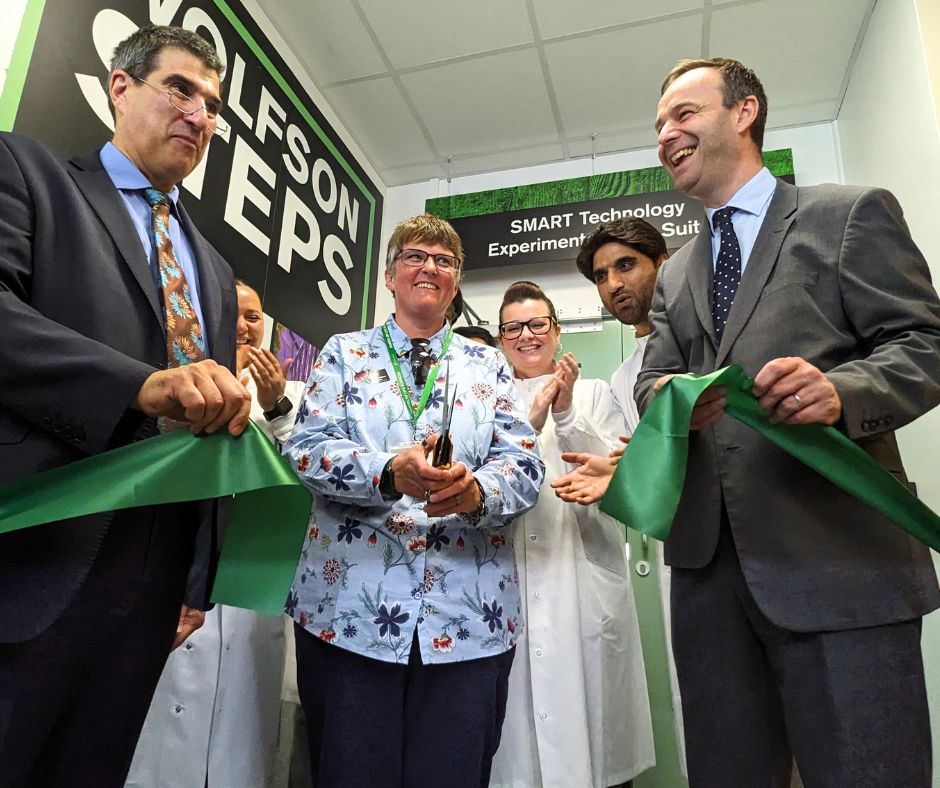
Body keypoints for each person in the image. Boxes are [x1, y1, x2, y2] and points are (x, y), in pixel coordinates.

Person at [559, 56, 940, 786]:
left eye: (683, 115)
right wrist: (674, 399)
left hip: (838, 560)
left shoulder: (848, 215)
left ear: (744, 111)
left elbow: (924, 343)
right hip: (709, 583)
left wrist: (840, 390)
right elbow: (650, 384)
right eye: (659, 125)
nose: (667, 134)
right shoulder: (674, 274)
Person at [0, 25, 249, 787]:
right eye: (180, 89)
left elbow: (215, 433)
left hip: (151, 589)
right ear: (119, 87)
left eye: (211, 106)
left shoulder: (211, 268)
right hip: (35, 560)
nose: (198, 116)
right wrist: (137, 385)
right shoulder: (29, 171)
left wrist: (194, 580)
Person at [282, 214, 543, 788]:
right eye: (416, 256)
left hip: (469, 619)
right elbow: (305, 449)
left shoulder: (489, 364)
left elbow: (525, 465)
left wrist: (478, 493)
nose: (430, 266)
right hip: (348, 615)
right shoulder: (344, 353)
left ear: (455, 282)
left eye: (445, 260)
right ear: (391, 275)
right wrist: (387, 471)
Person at [126, 282, 304, 788]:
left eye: (256, 317)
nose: (248, 326)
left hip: (251, 588)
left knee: (239, 744)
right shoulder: (176, 382)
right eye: (238, 315)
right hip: (178, 572)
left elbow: (307, 482)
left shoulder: (297, 395)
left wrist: (276, 405)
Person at [488, 281, 653, 788]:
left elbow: (617, 480)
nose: (527, 335)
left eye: (538, 323)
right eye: (513, 327)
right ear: (500, 341)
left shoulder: (595, 392)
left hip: (581, 577)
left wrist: (564, 413)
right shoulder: (486, 400)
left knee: (592, 739)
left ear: (556, 332)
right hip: (509, 580)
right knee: (515, 746)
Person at [574, 219, 687, 777]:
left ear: (662, 263)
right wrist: (615, 471)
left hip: (752, 541)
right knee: (706, 711)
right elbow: (638, 463)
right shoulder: (623, 377)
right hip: (678, 554)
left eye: (626, 266)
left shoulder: (703, 336)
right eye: (600, 275)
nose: (613, 284)